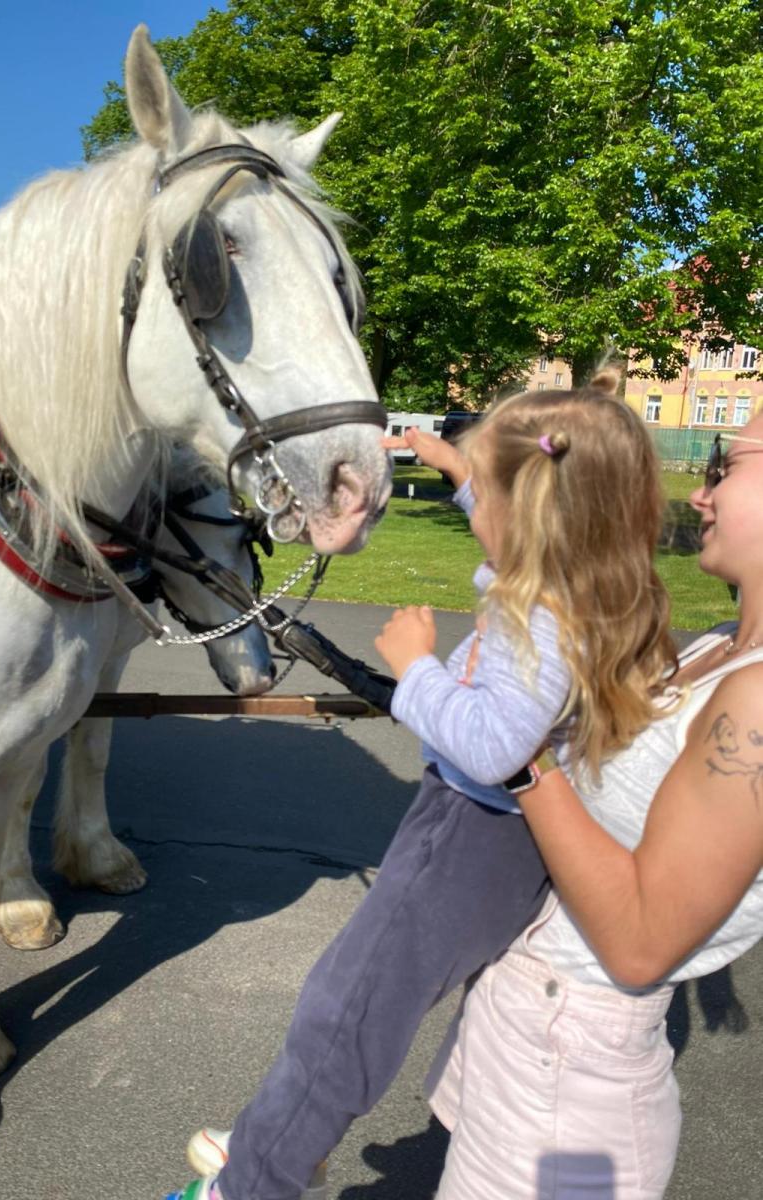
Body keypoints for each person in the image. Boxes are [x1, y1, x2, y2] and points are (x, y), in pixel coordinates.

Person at [164, 375, 677, 1200]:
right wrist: (456, 466)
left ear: (531, 513)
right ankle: (288, 1133)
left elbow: (496, 746)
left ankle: (257, 1177)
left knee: (348, 1009)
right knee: (365, 1001)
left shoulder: (540, 614)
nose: (473, 512)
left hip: (468, 835)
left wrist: (415, 669)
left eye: (484, 497)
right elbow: (513, 514)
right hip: (498, 843)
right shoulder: (594, 585)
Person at [428, 424, 763, 1198]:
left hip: (566, 1071)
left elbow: (641, 943)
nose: (701, 494)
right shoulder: (717, 649)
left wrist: (519, 757)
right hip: (527, 1024)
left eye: (726, 469)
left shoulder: (755, 700)